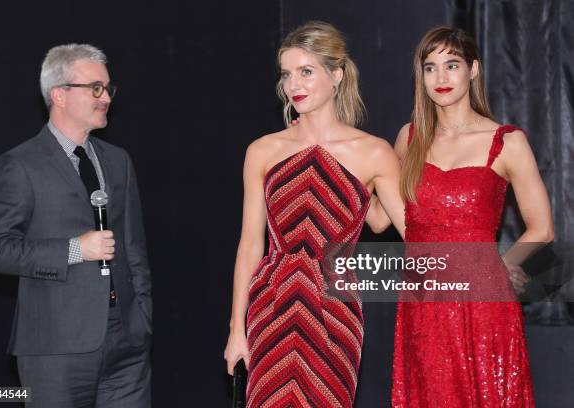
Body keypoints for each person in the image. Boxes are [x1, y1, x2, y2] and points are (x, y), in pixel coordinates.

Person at [223, 21, 405, 407]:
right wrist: (237, 327)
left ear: (336, 75)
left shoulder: (373, 152)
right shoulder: (263, 150)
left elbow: (408, 229)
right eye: (287, 74)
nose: (294, 85)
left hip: (335, 306)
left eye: (306, 71)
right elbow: (250, 243)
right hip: (271, 302)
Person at [369, 26, 553, 407]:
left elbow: (543, 229)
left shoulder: (508, 141)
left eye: (451, 65)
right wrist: (353, 162)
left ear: (473, 70)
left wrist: (501, 267)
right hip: (423, 304)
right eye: (430, 67)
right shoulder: (410, 138)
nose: (440, 77)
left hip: (484, 305)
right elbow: (378, 220)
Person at [0, 44, 152, 407]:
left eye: (107, 88)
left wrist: (141, 317)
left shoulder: (118, 161)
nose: (105, 97)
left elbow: (134, 246)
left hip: (126, 342)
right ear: (59, 94)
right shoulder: (19, 164)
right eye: (94, 88)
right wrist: (76, 249)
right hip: (54, 348)